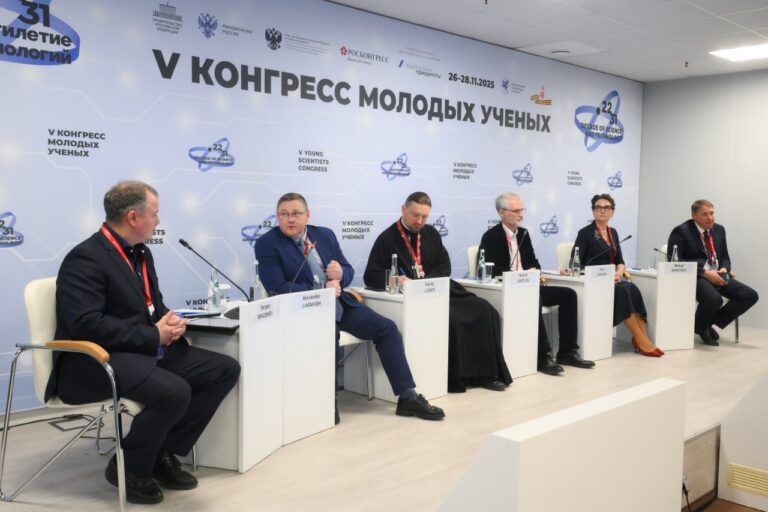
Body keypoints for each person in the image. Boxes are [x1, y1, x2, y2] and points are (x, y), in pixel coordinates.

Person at [47, 181, 241, 504]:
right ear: (134, 217)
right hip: (95, 362)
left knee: (224, 370)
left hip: (140, 352)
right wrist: (153, 335)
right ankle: (129, 467)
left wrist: (170, 322)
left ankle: (160, 452)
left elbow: (152, 306)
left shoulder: (141, 252)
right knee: (174, 392)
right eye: (155, 214)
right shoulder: (85, 258)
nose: (158, 221)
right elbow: (86, 325)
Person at [255, 192, 444, 422]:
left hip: (340, 304)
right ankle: (328, 401)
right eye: (284, 214)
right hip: (305, 312)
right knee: (329, 336)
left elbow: (349, 271)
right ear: (277, 216)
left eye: (296, 213)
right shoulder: (267, 244)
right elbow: (277, 288)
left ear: (307, 215)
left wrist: (341, 273)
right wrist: (320, 289)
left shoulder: (324, 235)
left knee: (387, 328)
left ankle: (407, 396)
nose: (290, 219)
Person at [364, 191, 513, 392]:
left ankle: (486, 374)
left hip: (438, 289)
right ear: (403, 209)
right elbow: (371, 275)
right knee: (452, 319)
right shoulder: (387, 238)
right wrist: (396, 280)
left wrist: (426, 280)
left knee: (485, 309)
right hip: (414, 297)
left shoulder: (431, 233)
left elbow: (444, 266)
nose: (419, 221)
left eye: (424, 216)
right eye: (415, 215)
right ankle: (458, 378)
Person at [478, 192, 595, 373]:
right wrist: (516, 276)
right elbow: (488, 268)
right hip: (509, 289)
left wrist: (534, 270)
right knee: (535, 298)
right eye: (516, 211)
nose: (521, 214)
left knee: (569, 295)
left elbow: (533, 262)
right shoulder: (491, 237)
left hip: (530, 286)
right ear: (501, 213)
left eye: (522, 210)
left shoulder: (524, 234)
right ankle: (542, 357)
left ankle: (567, 351)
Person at [573, 193, 663, 357]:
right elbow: (576, 262)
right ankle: (640, 339)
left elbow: (620, 261)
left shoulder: (613, 232)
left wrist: (619, 272)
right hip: (595, 281)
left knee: (632, 288)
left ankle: (644, 338)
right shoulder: (585, 233)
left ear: (612, 212)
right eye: (598, 207)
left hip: (612, 280)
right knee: (623, 291)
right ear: (593, 211)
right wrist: (604, 275)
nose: (602, 210)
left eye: (606, 208)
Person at [667, 199, 758, 346]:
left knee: (749, 295)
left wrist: (725, 269)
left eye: (712, 213)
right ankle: (703, 326)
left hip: (718, 274)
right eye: (705, 214)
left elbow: (725, 257)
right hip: (696, 276)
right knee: (714, 300)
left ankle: (704, 323)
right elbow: (675, 261)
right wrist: (705, 273)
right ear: (694, 216)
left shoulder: (719, 230)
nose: (710, 218)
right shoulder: (682, 231)